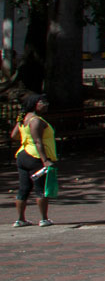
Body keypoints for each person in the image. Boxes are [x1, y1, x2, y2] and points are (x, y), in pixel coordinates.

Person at [12, 94, 56, 227]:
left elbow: (14, 135)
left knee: (24, 188)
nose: (46, 104)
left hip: (23, 155)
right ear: (34, 104)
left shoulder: (23, 119)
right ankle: (44, 219)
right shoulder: (36, 120)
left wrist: (26, 140)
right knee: (40, 188)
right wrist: (45, 160)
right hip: (35, 157)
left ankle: (20, 220)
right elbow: (38, 141)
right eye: (43, 102)